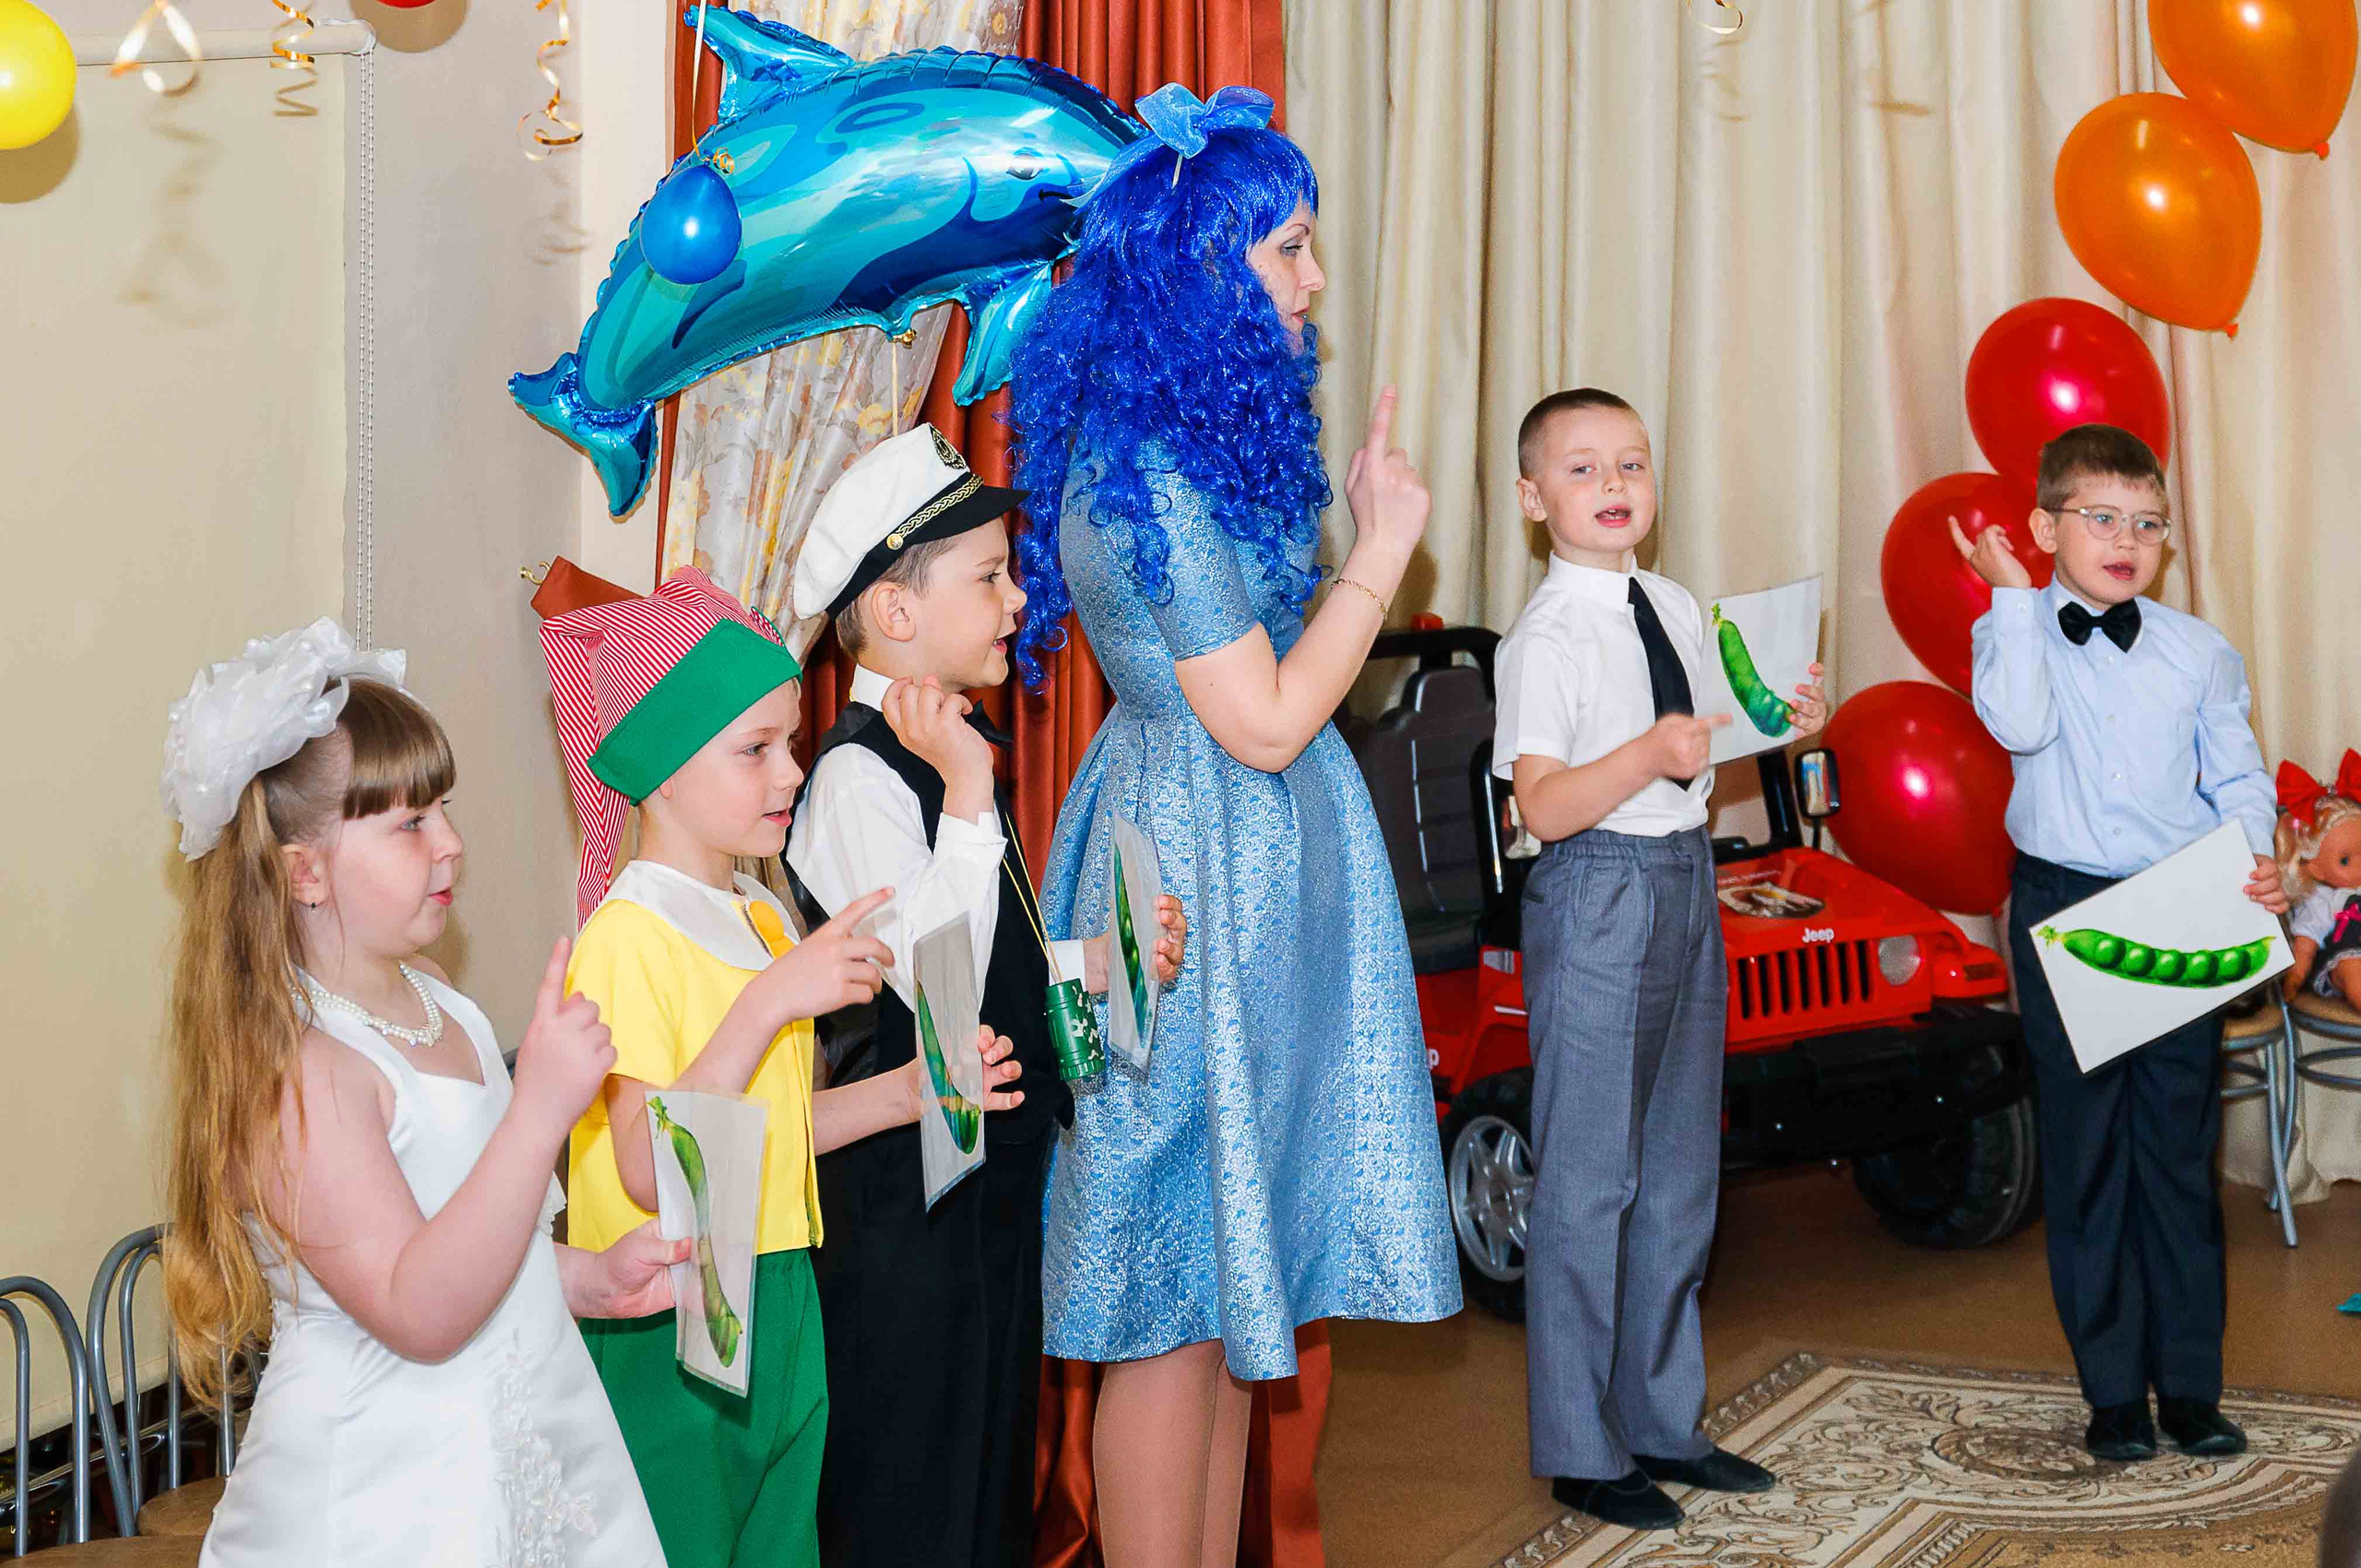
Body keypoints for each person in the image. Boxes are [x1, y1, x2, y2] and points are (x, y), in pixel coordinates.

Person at [1005, 82, 1460, 1568]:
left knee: (1211, 1289)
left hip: (1246, 861)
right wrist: (1382, 549)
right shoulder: (1142, 477)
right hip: (1184, 865)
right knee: (1163, 1291)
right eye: (1292, 249)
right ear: (1207, 265)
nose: (1316, 281)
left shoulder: (1188, 452)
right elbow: (1264, 719)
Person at [158, 620, 675, 1565]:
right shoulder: (302, 1072)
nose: (452, 843)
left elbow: (480, 1239)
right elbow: (416, 1304)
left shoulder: (442, 1005)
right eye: (410, 822)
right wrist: (538, 1111)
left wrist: (590, 1276)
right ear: (304, 870)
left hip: (517, 1450)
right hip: (386, 1496)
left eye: (444, 808)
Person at [541, 569, 1025, 1568]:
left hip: (781, 1287)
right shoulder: (626, 934)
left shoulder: (762, 915)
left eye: (793, 742)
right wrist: (769, 1000)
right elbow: (645, 1169)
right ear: (665, 765)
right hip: (665, 1311)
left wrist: (906, 1093)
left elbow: (776, 1126)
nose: (790, 773)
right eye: (753, 749)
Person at [778, 423, 1184, 1568]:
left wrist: (1095, 964)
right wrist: (967, 789)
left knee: (986, 1469)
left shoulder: (948, 759)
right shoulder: (861, 776)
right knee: (914, 1477)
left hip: (983, 1193)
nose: (1017, 600)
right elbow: (937, 981)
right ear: (896, 614)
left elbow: (993, 957)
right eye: (990, 577)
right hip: (905, 1211)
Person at [1495, 388, 1827, 1529]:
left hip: (1683, 876)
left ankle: (1658, 1417)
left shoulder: (1674, 602)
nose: (1612, 485)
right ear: (1534, 500)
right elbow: (1541, 801)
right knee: (1590, 1179)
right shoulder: (1545, 636)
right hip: (1599, 889)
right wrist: (1645, 753)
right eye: (1581, 470)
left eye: (1629, 463)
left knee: (1678, 1169)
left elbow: (1703, 745)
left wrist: (1767, 712)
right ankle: (1581, 1446)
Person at [1952, 422, 2284, 1462]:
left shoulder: (2197, 648)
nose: (2126, 539)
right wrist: (2009, 593)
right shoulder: (2014, 633)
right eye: (2100, 518)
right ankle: (2109, 1392)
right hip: (2064, 908)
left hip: (2181, 903)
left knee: (2176, 1156)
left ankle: (2189, 1386)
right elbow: (2014, 725)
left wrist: (2259, 857)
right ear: (2046, 525)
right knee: (2088, 1152)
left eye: (2148, 523)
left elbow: (2236, 776)